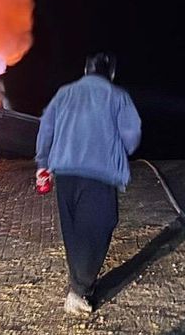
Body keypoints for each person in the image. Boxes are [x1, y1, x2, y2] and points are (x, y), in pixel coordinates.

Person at [35, 52, 142, 315]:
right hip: (99, 172)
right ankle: (79, 290)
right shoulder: (118, 96)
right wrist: (119, 150)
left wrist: (43, 163)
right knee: (99, 226)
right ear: (111, 73)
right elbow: (132, 134)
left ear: (85, 70)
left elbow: (46, 127)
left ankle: (79, 284)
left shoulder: (64, 93)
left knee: (73, 230)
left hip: (65, 172)